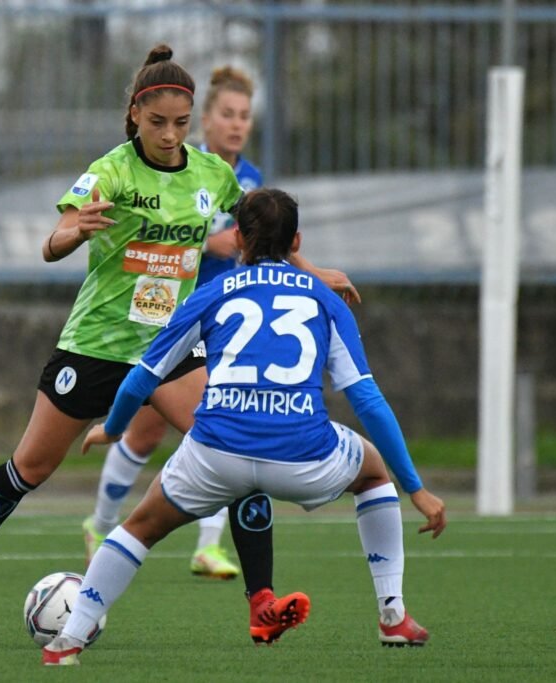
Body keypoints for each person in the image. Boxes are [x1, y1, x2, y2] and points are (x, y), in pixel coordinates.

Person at [0, 45, 358, 644]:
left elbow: (263, 231)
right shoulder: (112, 170)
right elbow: (54, 241)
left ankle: (261, 600)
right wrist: (71, 233)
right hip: (96, 344)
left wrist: (311, 271)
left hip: (172, 347)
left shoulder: (212, 174)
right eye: (158, 124)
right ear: (134, 116)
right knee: (29, 468)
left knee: (236, 453)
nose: (171, 135)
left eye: (181, 123)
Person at [42, 188, 447, 666]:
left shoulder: (210, 295)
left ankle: (67, 639)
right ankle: (392, 614)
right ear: (296, 241)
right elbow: (368, 400)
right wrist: (416, 489)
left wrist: (113, 427)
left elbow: (141, 377)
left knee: (138, 528)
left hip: (215, 455)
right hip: (304, 456)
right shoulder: (325, 298)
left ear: (237, 238)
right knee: (374, 473)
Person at [82, 65, 270, 580]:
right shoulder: (180, 167)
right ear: (204, 120)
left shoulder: (246, 180)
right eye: (226, 114)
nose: (236, 124)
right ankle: (99, 525)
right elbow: (161, 232)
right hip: (168, 313)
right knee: (143, 436)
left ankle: (208, 546)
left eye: (245, 116)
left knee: (221, 424)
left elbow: (263, 237)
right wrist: (211, 243)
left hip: (224, 318)